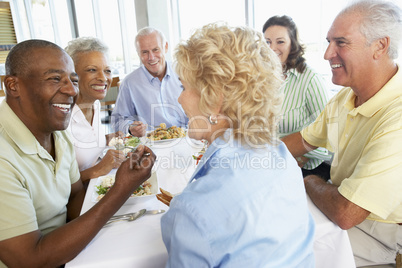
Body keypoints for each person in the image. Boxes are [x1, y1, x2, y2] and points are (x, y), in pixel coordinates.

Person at [161, 23, 315, 267]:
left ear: (215, 101)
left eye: (184, 87)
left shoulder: (193, 211)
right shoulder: (281, 157)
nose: (179, 98)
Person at [0, 39, 155, 267]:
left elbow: (73, 201)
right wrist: (121, 189)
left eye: (73, 80)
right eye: (54, 79)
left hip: (68, 245)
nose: (72, 90)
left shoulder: (56, 132)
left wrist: (123, 183)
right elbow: (29, 260)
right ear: (13, 86)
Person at [282, 0, 402, 266]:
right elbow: (300, 141)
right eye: (328, 42)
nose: (327, 54)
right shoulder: (346, 97)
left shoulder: (398, 116)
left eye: (341, 43)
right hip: (336, 207)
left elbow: (346, 212)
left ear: (380, 46)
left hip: (380, 234)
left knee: (281, 253)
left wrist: (309, 181)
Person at [263, 15, 331, 180]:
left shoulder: (310, 80)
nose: (272, 48)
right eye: (267, 42)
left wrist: (300, 157)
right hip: (267, 164)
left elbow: (329, 136)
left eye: (280, 42)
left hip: (303, 170)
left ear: (293, 44)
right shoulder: (263, 78)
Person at [65, 37, 126, 183]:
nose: (103, 78)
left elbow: (85, 141)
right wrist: (98, 170)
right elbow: (57, 187)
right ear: (72, 75)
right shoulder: (61, 118)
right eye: (92, 70)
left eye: (107, 71)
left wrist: (106, 139)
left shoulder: (95, 104)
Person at [111, 27, 188, 137]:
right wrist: (129, 128)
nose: (151, 57)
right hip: (151, 145)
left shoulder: (184, 72)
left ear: (165, 47)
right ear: (138, 53)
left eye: (156, 50)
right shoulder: (129, 83)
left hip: (187, 139)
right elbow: (117, 120)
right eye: (145, 52)